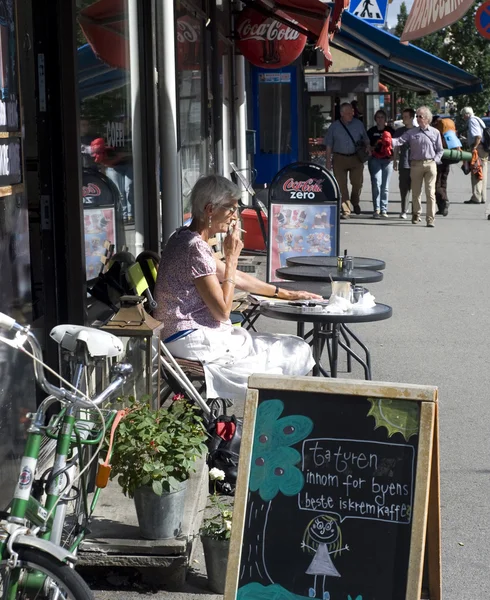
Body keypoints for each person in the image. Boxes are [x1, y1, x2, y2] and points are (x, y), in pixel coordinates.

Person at [153, 175, 318, 401]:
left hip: (180, 334)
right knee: (290, 350)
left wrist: (286, 294)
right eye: (231, 209)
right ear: (210, 209)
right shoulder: (195, 248)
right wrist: (231, 258)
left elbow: (237, 278)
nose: (235, 216)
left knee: (283, 347)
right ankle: (276, 415)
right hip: (189, 338)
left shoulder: (183, 236)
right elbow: (222, 311)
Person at [391, 106, 443, 228]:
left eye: (421, 116)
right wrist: (389, 140)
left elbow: (440, 150)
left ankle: (430, 219)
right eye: (417, 116)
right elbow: (399, 141)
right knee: (416, 192)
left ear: (427, 118)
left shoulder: (435, 132)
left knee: (430, 192)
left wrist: (435, 160)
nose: (418, 119)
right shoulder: (411, 132)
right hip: (415, 164)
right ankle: (416, 214)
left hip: (430, 164)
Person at [325, 102, 370, 219]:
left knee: (357, 183)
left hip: (356, 158)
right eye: (348, 113)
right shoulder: (334, 127)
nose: (351, 114)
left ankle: (355, 201)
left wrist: (368, 147)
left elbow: (366, 139)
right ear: (342, 113)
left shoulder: (358, 124)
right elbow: (329, 145)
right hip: (339, 158)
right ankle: (346, 209)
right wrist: (328, 161)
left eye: (352, 112)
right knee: (342, 185)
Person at [367, 109, 394, 218]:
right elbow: (367, 145)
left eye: (382, 117)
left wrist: (394, 156)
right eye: (378, 117)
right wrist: (373, 148)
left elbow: (395, 145)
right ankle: (376, 209)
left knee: (385, 186)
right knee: (376, 184)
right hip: (375, 160)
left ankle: (384, 209)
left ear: (385, 119)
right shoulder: (371, 131)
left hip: (387, 160)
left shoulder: (390, 130)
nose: (380, 119)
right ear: (375, 119)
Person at [432, 115, 460, 217]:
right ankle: (442, 207)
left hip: (440, 158)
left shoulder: (437, 127)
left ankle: (444, 200)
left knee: (436, 183)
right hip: (449, 156)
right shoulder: (450, 126)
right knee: (443, 181)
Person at [460, 106, 489, 206]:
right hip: (484, 149)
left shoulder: (472, 121)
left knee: (476, 171)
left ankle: (476, 197)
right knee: (483, 173)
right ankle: (482, 196)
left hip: (478, 148)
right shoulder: (478, 119)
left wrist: (474, 147)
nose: (463, 118)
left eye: (463, 115)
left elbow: (478, 136)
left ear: (467, 114)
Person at [393, 108, 415, 219]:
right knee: (404, 188)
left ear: (412, 118)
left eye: (406, 117)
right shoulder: (399, 131)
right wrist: (395, 161)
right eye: (403, 116)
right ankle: (404, 210)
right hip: (404, 163)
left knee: (416, 189)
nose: (403, 119)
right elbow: (396, 146)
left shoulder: (418, 130)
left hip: (416, 164)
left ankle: (415, 212)